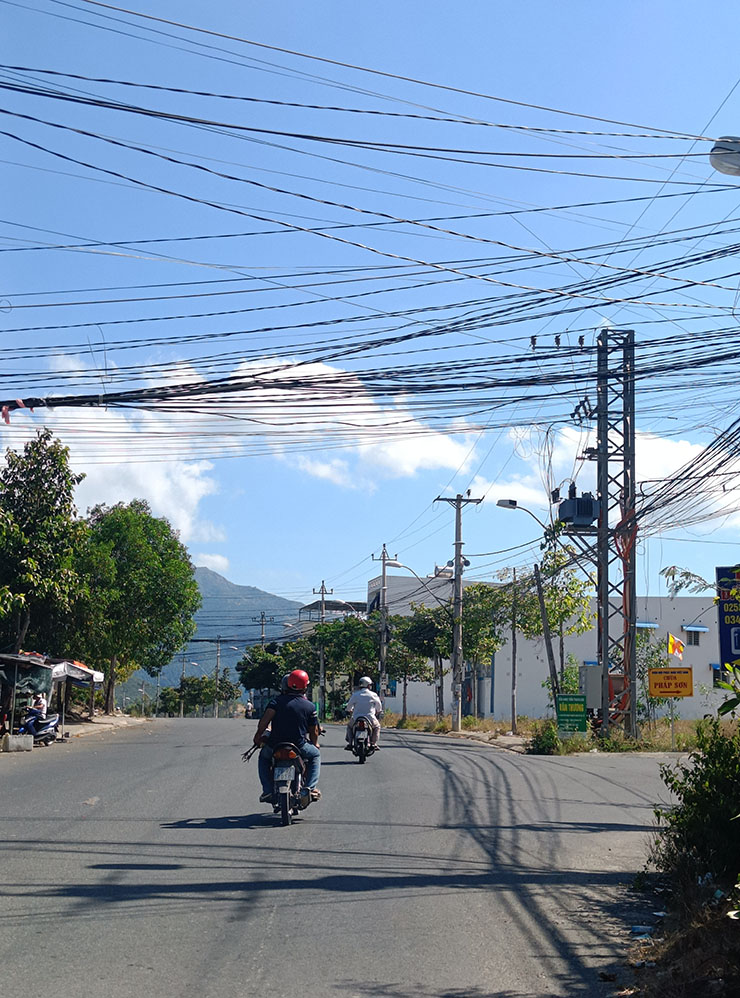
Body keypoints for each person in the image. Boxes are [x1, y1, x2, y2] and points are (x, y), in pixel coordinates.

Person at [253, 669, 321, 804]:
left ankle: (267, 790)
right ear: (305, 686)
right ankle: (309, 788)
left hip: (275, 745)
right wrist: (314, 744)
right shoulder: (309, 706)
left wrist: (257, 737)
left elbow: (263, 724)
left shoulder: (275, 702)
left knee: (263, 758)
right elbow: (314, 731)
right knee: (315, 755)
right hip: (299, 745)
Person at [345, 676, 383, 750]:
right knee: (377, 727)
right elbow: (378, 706)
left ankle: (350, 743)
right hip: (370, 718)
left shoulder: (355, 694)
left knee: (350, 727)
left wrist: (349, 710)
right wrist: (378, 711)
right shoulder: (373, 695)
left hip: (356, 718)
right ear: (369, 685)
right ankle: (373, 743)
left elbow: (349, 706)